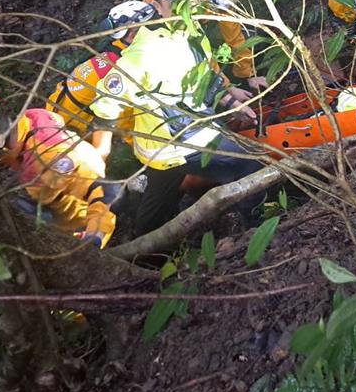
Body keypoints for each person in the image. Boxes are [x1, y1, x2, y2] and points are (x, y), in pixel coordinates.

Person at [86, 21, 264, 236]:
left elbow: (105, 113)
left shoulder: (130, 63)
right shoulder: (179, 41)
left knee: (155, 210)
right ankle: (256, 228)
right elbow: (206, 76)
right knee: (250, 163)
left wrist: (100, 156)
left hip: (157, 150)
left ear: (126, 36)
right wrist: (231, 102)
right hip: (186, 140)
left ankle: (143, 252)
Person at [0, 88, 119, 247]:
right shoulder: (32, 118)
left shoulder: (48, 157)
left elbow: (106, 191)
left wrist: (92, 240)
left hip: (76, 222)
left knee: (11, 208)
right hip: (54, 188)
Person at [44, 0, 159, 151]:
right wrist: (145, 147)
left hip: (56, 112)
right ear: (133, 33)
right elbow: (123, 117)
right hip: (70, 128)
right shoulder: (121, 66)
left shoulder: (113, 50)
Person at [160, 0, 268, 91]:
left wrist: (248, 75)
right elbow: (199, 50)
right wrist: (227, 89)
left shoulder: (220, 1)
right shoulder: (183, 1)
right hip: (161, 40)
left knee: (251, 36)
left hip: (196, 29)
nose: (225, 4)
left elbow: (235, 38)